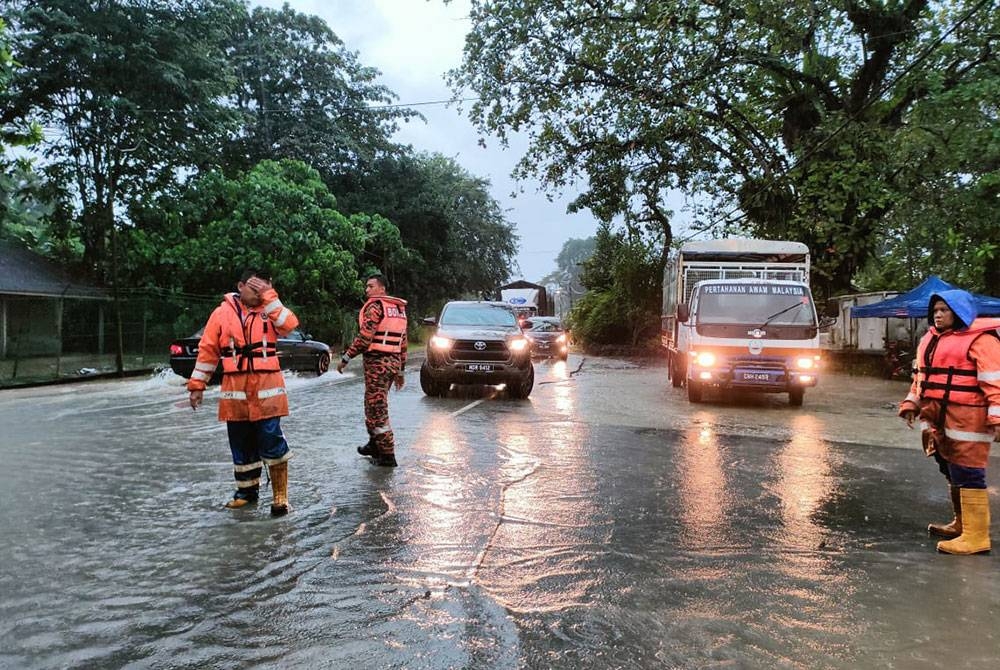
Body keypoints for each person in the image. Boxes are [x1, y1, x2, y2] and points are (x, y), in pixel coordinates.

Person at [187, 269, 299, 515]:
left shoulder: (271, 310)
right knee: (240, 442)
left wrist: (270, 296)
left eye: (264, 288)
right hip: (235, 391)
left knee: (271, 439)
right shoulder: (221, 313)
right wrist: (197, 386)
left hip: (268, 390)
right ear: (240, 286)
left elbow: (289, 325)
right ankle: (246, 493)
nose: (258, 293)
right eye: (254, 287)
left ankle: (280, 496)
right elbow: (208, 351)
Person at [898, 290, 1000, 554]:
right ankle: (962, 524)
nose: (938, 315)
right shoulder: (930, 340)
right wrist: (910, 404)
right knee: (949, 469)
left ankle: (977, 536)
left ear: (959, 312)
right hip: (938, 418)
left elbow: (995, 382)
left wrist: (997, 417)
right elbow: (920, 379)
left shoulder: (982, 340)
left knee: (968, 472)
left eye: (944, 310)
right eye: (935, 311)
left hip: (969, 419)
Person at [336, 273, 407, 467]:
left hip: (378, 364)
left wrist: (346, 357)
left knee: (377, 409)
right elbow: (403, 342)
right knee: (372, 404)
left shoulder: (376, 307)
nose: (367, 290)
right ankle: (374, 444)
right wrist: (400, 371)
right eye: (366, 287)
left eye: (370, 286)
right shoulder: (397, 309)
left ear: (382, 288)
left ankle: (388, 455)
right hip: (392, 363)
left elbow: (365, 337)